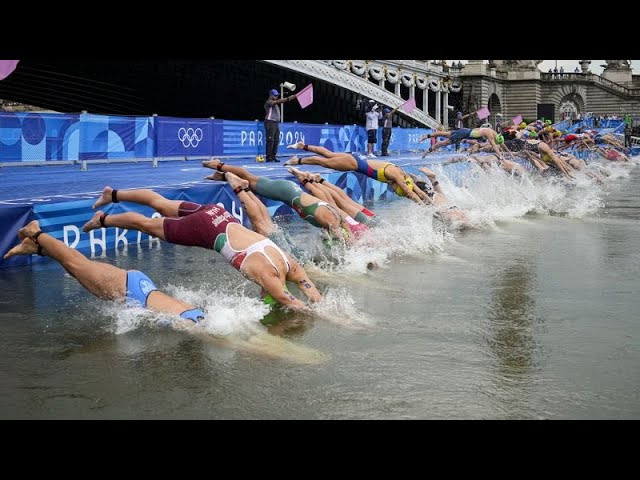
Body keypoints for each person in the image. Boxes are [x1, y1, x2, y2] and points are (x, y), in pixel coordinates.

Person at [82, 186, 321, 311]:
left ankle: (112, 194)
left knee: (162, 204)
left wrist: (323, 306)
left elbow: (312, 294)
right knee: (146, 225)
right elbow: (292, 302)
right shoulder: (269, 279)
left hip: (218, 215)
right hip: (207, 230)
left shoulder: (290, 264)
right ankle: (103, 220)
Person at [3, 220, 206, 324]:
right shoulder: (194, 324)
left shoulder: (197, 316)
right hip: (131, 291)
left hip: (139, 288)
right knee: (76, 264)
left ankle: (35, 248)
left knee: (78, 267)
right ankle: (36, 232)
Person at [202, 159, 357, 244]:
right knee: (250, 178)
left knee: (263, 221)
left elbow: (345, 233)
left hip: (291, 192)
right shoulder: (331, 221)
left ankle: (223, 176)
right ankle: (218, 165)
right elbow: (344, 241)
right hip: (285, 191)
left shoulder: (337, 219)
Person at [283, 141, 431, 205]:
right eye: (395, 190)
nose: (392, 189)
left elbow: (417, 190)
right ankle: (298, 161)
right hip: (354, 164)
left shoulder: (405, 177)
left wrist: (429, 204)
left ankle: (303, 146)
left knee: (328, 154)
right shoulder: (397, 176)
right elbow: (409, 193)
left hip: (357, 160)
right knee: (325, 162)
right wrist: (422, 207)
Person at [419, 127, 505, 158]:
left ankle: (426, 136)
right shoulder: (489, 134)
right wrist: (501, 157)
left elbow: (499, 144)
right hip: (463, 134)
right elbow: (494, 145)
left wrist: (509, 152)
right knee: (442, 143)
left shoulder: (490, 130)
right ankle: (428, 151)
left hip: (465, 131)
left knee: (444, 133)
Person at [264, 88, 297, 163]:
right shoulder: (268, 102)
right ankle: (269, 157)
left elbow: (278, 102)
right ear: (271, 95)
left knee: (276, 140)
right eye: (275, 95)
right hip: (270, 122)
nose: (276, 97)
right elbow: (278, 102)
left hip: (275, 123)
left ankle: (273, 156)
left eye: (277, 95)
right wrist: (288, 98)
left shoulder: (275, 103)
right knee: (270, 140)